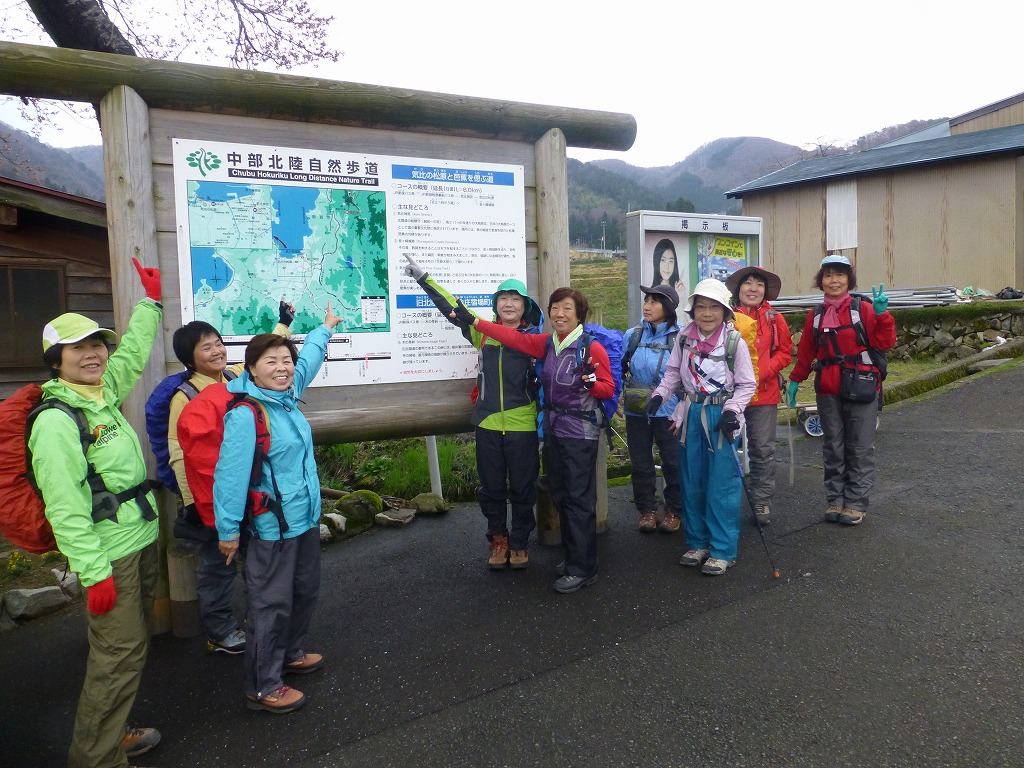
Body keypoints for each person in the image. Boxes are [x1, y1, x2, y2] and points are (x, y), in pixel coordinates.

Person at [31, 257, 164, 767]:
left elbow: (130, 356)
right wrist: (93, 570)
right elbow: (65, 507)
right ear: (55, 360)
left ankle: (112, 735)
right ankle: (96, 757)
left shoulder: (100, 394)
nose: (93, 354)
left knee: (128, 649)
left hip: (137, 538)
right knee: (118, 655)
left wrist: (151, 304)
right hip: (110, 555)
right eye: (78, 348)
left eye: (97, 344)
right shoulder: (57, 422)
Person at [212, 302, 340, 714]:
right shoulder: (247, 413)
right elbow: (229, 476)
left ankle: (290, 654)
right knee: (270, 605)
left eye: (286, 360)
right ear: (251, 369)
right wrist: (228, 530)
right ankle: (263, 686)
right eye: (271, 362)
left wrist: (325, 329)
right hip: (272, 528)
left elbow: (309, 361)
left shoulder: (286, 397)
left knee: (305, 591)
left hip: (304, 520)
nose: (282, 368)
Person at [454, 288, 614, 594]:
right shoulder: (548, 344)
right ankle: (576, 558)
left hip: (580, 433)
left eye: (567, 308)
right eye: (555, 308)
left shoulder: (590, 347)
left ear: (580, 314)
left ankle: (583, 569)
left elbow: (608, 388)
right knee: (562, 495)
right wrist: (475, 322)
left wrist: (594, 384)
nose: (559, 314)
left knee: (579, 499)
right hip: (555, 430)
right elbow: (510, 337)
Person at [167, 302, 294, 655]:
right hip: (209, 498)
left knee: (254, 558)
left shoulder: (233, 379)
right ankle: (220, 631)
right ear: (189, 358)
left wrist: (283, 323)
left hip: (246, 492)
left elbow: (265, 353)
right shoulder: (185, 396)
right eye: (206, 347)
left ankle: (257, 618)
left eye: (219, 343)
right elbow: (179, 452)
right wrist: (196, 502)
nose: (217, 350)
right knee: (217, 567)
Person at [404, 256, 543, 570]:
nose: (509, 304)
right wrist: (424, 279)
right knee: (491, 487)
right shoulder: (483, 333)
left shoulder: (534, 339)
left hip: (522, 424)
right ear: (496, 305)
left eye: (515, 299)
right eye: (503, 298)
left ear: (525, 306)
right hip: (488, 422)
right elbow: (452, 307)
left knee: (523, 487)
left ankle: (520, 540)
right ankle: (498, 539)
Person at [647, 279, 757, 576]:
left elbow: (747, 384)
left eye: (713, 307)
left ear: (725, 311)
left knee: (721, 484)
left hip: (721, 415)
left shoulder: (734, 343)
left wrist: (732, 412)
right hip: (691, 413)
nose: (707, 313)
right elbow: (672, 373)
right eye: (701, 307)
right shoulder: (684, 338)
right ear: (692, 310)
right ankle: (697, 543)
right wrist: (660, 396)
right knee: (692, 479)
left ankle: (722, 550)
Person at [786, 254, 895, 525]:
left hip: (862, 386)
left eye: (840, 275)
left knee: (859, 447)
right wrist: (795, 381)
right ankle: (835, 500)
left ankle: (856, 503)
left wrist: (882, 315)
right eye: (828, 275)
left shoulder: (863, 309)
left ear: (849, 280)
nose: (833, 281)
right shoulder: (816, 315)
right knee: (833, 446)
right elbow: (807, 352)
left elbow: (885, 342)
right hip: (828, 388)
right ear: (821, 280)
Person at [725, 266, 793, 525]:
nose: (753, 289)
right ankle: (725, 500)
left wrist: (762, 371)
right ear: (738, 288)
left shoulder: (775, 319)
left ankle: (761, 500)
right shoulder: (726, 316)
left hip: (764, 393)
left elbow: (785, 352)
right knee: (724, 447)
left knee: (762, 449)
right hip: (729, 394)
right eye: (748, 283)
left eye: (759, 284)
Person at [621, 284, 683, 533]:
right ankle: (647, 510)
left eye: (654, 302)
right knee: (640, 463)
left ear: (668, 307)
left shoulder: (680, 337)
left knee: (673, 462)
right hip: (636, 409)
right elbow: (619, 367)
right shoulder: (633, 335)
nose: (646, 306)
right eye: (646, 300)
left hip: (669, 409)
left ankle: (674, 510)